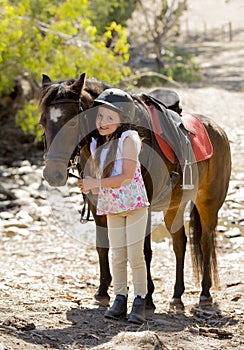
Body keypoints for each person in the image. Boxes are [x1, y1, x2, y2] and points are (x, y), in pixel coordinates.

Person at [78, 88, 150, 324]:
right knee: (117, 255)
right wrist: (90, 186)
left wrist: (95, 182)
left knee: (135, 254)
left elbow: (126, 176)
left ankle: (140, 298)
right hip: (113, 207)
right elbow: (105, 182)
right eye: (100, 116)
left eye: (110, 117)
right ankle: (120, 297)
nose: (103, 122)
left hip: (135, 205)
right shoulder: (97, 145)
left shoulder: (129, 139)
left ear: (123, 119)